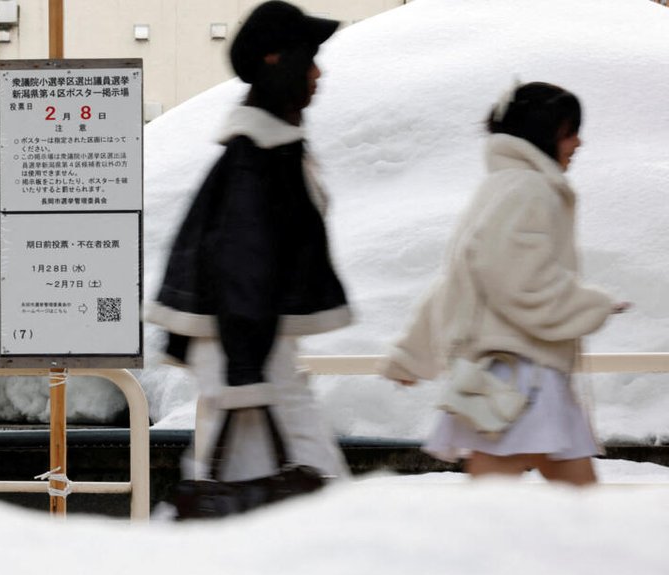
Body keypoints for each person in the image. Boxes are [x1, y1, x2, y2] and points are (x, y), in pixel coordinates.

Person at [378, 82, 628, 486]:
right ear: (543, 134)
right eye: (569, 131)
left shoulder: (501, 187)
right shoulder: (529, 189)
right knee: (539, 502)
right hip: (522, 377)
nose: (579, 142)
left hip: (515, 376)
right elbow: (519, 283)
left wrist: (412, 355)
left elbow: (458, 282)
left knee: (561, 501)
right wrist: (590, 306)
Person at [146, 0, 353, 484]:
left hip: (251, 347)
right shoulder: (259, 157)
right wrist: (244, 369)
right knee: (299, 484)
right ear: (278, 62)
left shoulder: (264, 149)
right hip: (248, 349)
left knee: (241, 485)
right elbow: (241, 260)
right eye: (309, 57)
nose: (318, 73)